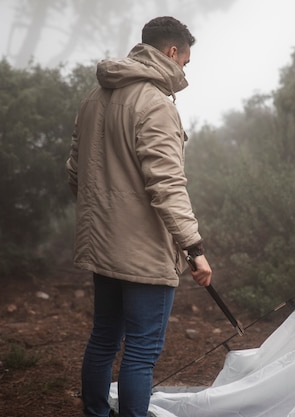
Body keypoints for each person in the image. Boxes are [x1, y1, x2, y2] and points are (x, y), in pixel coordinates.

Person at [65, 16, 212, 417]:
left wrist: (105, 217)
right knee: (142, 351)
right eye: (185, 60)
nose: (184, 69)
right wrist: (193, 247)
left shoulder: (94, 98)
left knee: (104, 337)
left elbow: (75, 172)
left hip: (103, 245)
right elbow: (167, 186)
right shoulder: (155, 104)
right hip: (145, 252)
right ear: (171, 52)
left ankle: (96, 413)